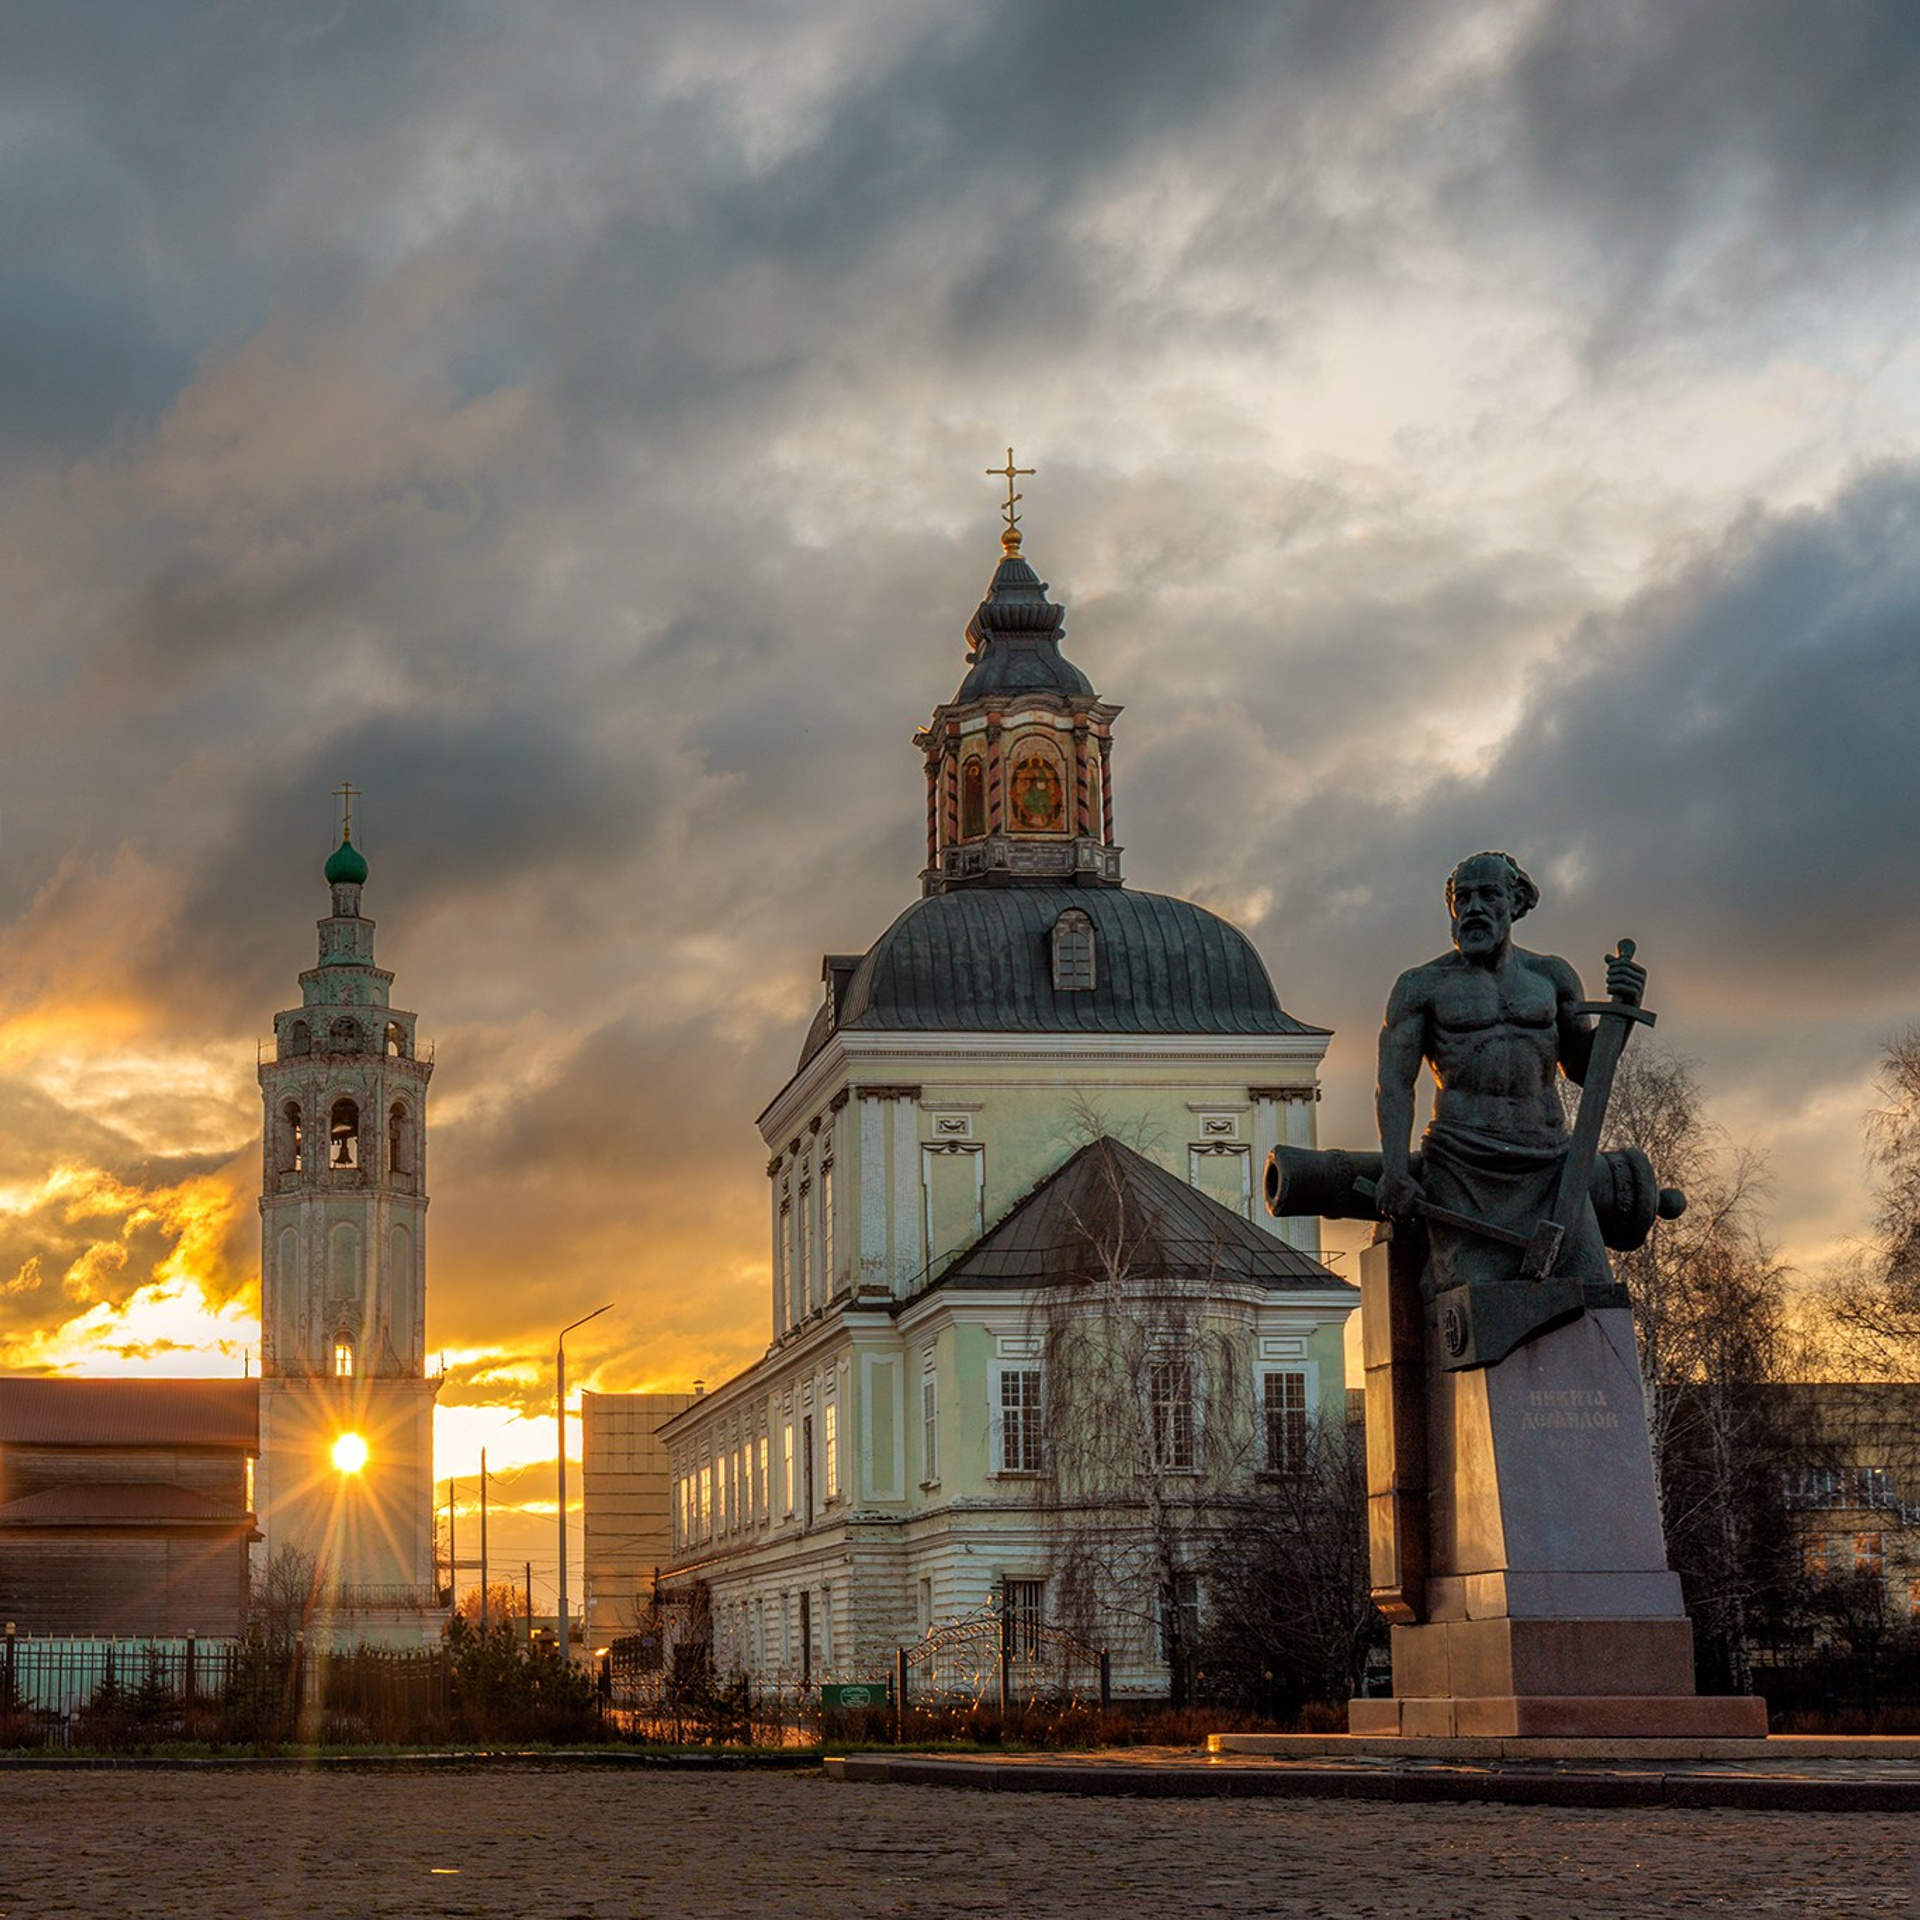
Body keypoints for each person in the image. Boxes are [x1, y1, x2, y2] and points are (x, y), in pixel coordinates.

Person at [1375, 851, 1645, 1327]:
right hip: (1463, 1169)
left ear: (1516, 902)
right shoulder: (1421, 986)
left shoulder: (1553, 978)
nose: (1474, 907)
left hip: (1552, 1167)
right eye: (1464, 898)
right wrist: (1395, 1170)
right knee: (1479, 1313)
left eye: (1489, 895)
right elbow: (1395, 1084)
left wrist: (1624, 1008)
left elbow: (1585, 1069)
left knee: (1594, 1299)